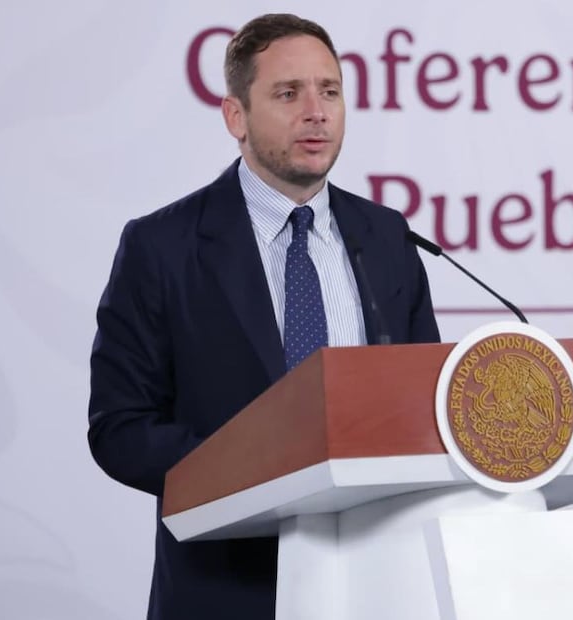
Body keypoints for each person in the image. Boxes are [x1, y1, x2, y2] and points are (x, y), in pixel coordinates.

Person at [87, 13, 440, 620]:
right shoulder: (163, 247)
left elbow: (423, 403)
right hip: (227, 590)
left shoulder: (386, 236)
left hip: (378, 583)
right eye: (288, 93)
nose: (316, 111)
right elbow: (119, 429)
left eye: (329, 90)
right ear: (235, 117)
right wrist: (260, 468)